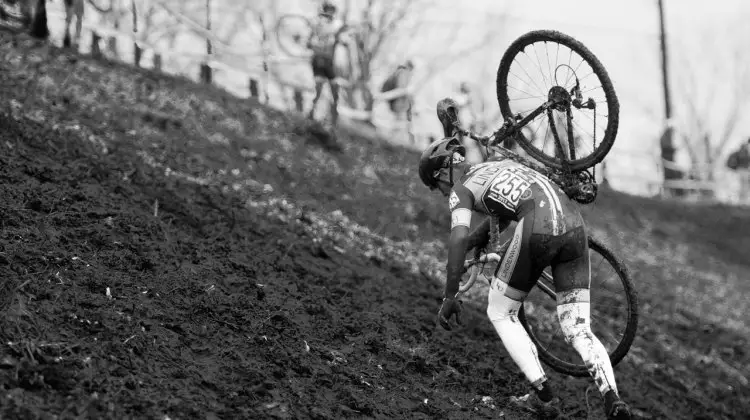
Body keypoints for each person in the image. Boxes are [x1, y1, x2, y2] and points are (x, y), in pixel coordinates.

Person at [418, 136, 632, 420]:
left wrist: (450, 294)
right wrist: (477, 240)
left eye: (436, 186)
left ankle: (545, 399)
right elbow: (503, 213)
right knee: (578, 328)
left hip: (539, 227)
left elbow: (456, 239)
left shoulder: (461, 188)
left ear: (442, 173)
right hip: (574, 227)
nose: (442, 193)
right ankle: (612, 399)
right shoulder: (497, 164)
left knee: (499, 310)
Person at [305, 1, 347, 125]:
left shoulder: (318, 23)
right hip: (322, 60)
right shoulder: (331, 25)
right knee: (327, 88)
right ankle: (320, 114)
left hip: (322, 60)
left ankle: (327, 115)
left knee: (329, 88)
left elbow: (308, 43)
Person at [726, 138, 750, 203]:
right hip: (742, 170)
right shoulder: (744, 151)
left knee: (741, 186)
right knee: (742, 186)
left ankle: (741, 201)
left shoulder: (740, 151)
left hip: (740, 170)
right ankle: (741, 201)